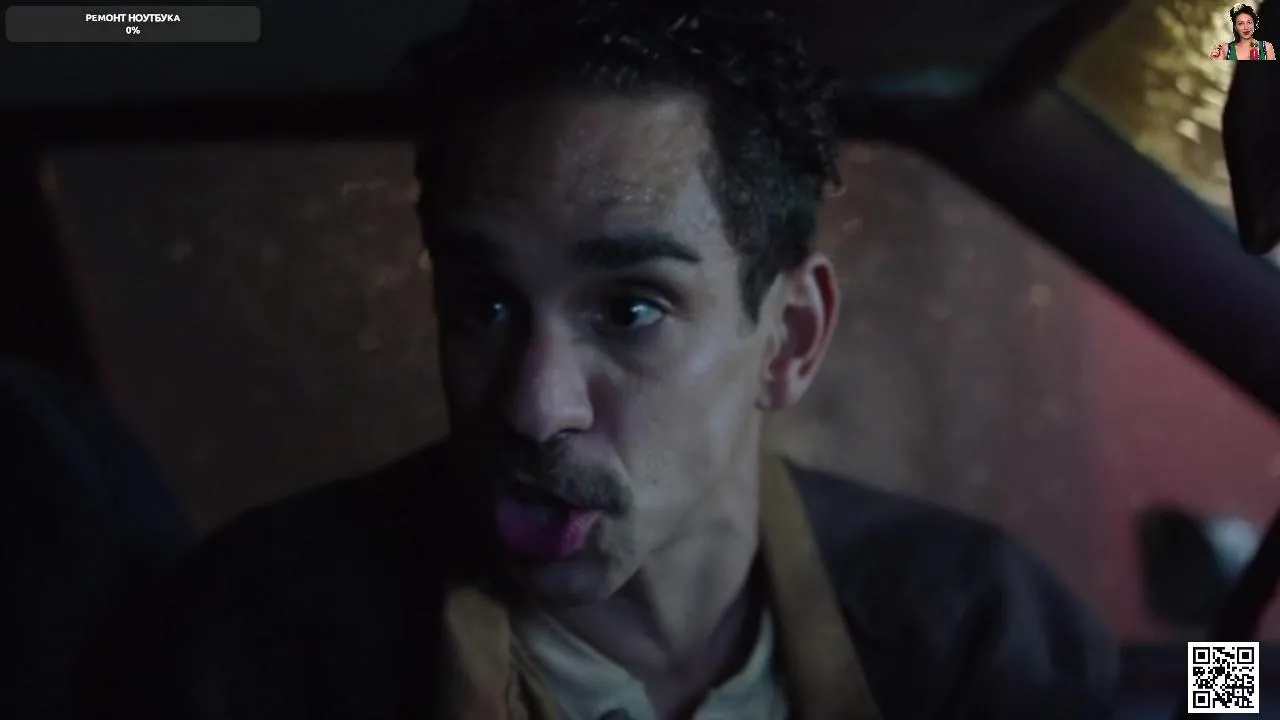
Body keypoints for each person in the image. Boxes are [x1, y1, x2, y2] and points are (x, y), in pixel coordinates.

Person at [77, 1, 1117, 719]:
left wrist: (1208, 680)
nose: (534, 407)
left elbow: (1205, 688)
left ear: (789, 337)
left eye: (628, 308)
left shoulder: (979, 620)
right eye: (486, 304)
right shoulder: (254, 644)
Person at [1211, 4, 1276, 60]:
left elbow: (1273, 70)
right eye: (1240, 23)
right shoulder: (1226, 49)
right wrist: (1215, 60)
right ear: (1235, 27)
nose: (1246, 27)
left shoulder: (1267, 48)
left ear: (1254, 24)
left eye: (1249, 22)